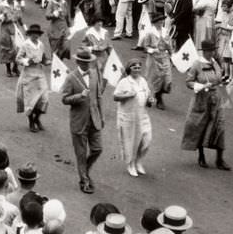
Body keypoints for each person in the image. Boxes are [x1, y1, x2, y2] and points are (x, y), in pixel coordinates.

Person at [60, 47, 105, 193]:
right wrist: (80, 96)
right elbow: (64, 99)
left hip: (94, 118)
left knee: (98, 149)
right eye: (83, 62)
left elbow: (98, 97)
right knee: (80, 153)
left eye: (88, 62)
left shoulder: (94, 74)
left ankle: (85, 169)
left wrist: (101, 116)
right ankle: (84, 180)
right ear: (78, 61)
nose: (86, 65)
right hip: (79, 121)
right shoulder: (71, 78)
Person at [181, 39, 230, 171]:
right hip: (202, 99)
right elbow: (188, 81)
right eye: (210, 50)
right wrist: (201, 86)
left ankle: (220, 159)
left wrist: (223, 81)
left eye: (213, 50)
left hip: (216, 99)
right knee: (201, 126)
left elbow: (219, 78)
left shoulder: (215, 63)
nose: (212, 52)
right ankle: (201, 155)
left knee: (220, 126)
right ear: (205, 51)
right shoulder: (197, 64)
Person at [112, 58, 151, 177]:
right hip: (128, 117)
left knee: (146, 140)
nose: (137, 69)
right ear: (129, 69)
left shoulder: (143, 81)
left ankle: (138, 161)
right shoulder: (124, 82)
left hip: (142, 116)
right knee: (130, 142)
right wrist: (128, 95)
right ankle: (130, 164)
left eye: (139, 67)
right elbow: (116, 97)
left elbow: (148, 95)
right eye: (134, 67)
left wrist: (150, 100)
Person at [16, 24, 50, 132]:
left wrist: (47, 62)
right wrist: (26, 61)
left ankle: (37, 119)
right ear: (30, 34)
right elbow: (18, 59)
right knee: (31, 101)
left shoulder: (41, 45)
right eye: (33, 34)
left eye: (37, 34)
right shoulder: (25, 45)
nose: (35, 36)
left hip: (39, 73)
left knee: (44, 99)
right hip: (29, 74)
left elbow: (43, 58)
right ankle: (31, 122)